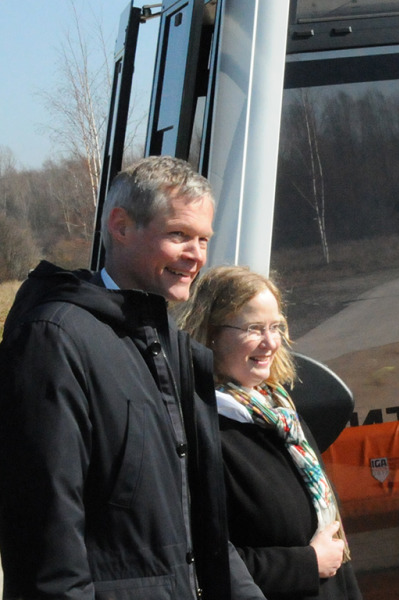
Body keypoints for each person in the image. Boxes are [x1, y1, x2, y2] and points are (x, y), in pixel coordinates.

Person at [0, 156, 265, 599]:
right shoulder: (54, 339)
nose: (196, 255)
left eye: (203, 239)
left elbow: (197, 527)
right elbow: (46, 538)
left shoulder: (173, 348)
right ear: (120, 226)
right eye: (178, 234)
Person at [179, 265, 362, 600]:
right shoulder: (199, 432)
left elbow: (333, 547)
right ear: (211, 334)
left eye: (276, 327)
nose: (270, 343)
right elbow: (203, 561)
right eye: (253, 329)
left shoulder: (283, 416)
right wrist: (308, 564)